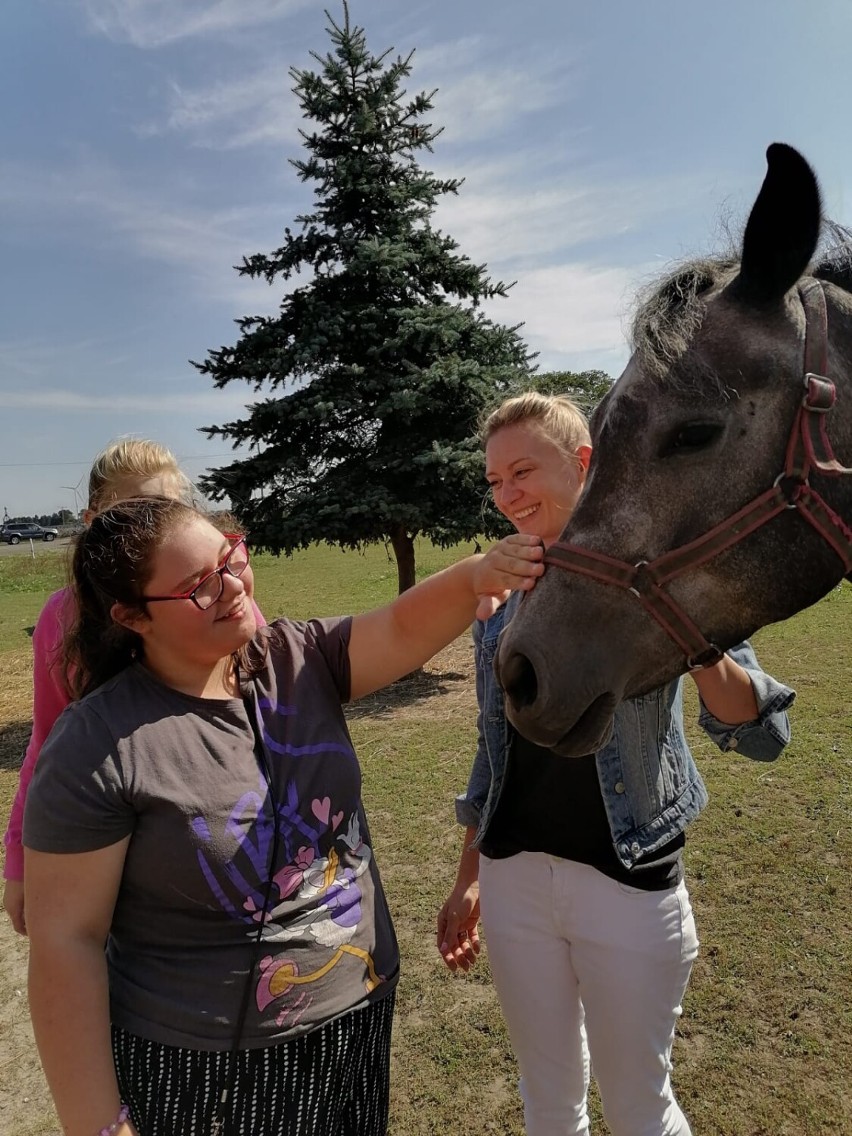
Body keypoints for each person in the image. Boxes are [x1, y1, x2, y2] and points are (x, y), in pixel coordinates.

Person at [23, 496, 543, 1136]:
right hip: (206, 1073)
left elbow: (402, 629)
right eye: (198, 588)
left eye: (230, 558)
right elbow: (64, 944)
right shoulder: (96, 744)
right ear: (132, 617)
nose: (233, 587)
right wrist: (99, 1127)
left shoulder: (296, 658)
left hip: (356, 1023)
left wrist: (477, 575)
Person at [436, 392, 795, 1136]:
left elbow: (761, 732)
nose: (507, 495)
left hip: (628, 881)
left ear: (585, 462)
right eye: (495, 481)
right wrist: (470, 877)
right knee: (548, 1103)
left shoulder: (667, 569)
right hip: (515, 882)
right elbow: (490, 750)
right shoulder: (502, 592)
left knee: (640, 1109)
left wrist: (693, 639)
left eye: (523, 471)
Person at [2, 438, 265, 935]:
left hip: (212, 827)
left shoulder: (222, 599)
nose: (153, 530)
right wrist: (19, 860)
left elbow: (261, 700)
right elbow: (47, 740)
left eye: (168, 511)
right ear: (91, 522)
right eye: (132, 514)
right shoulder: (63, 617)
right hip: (107, 833)